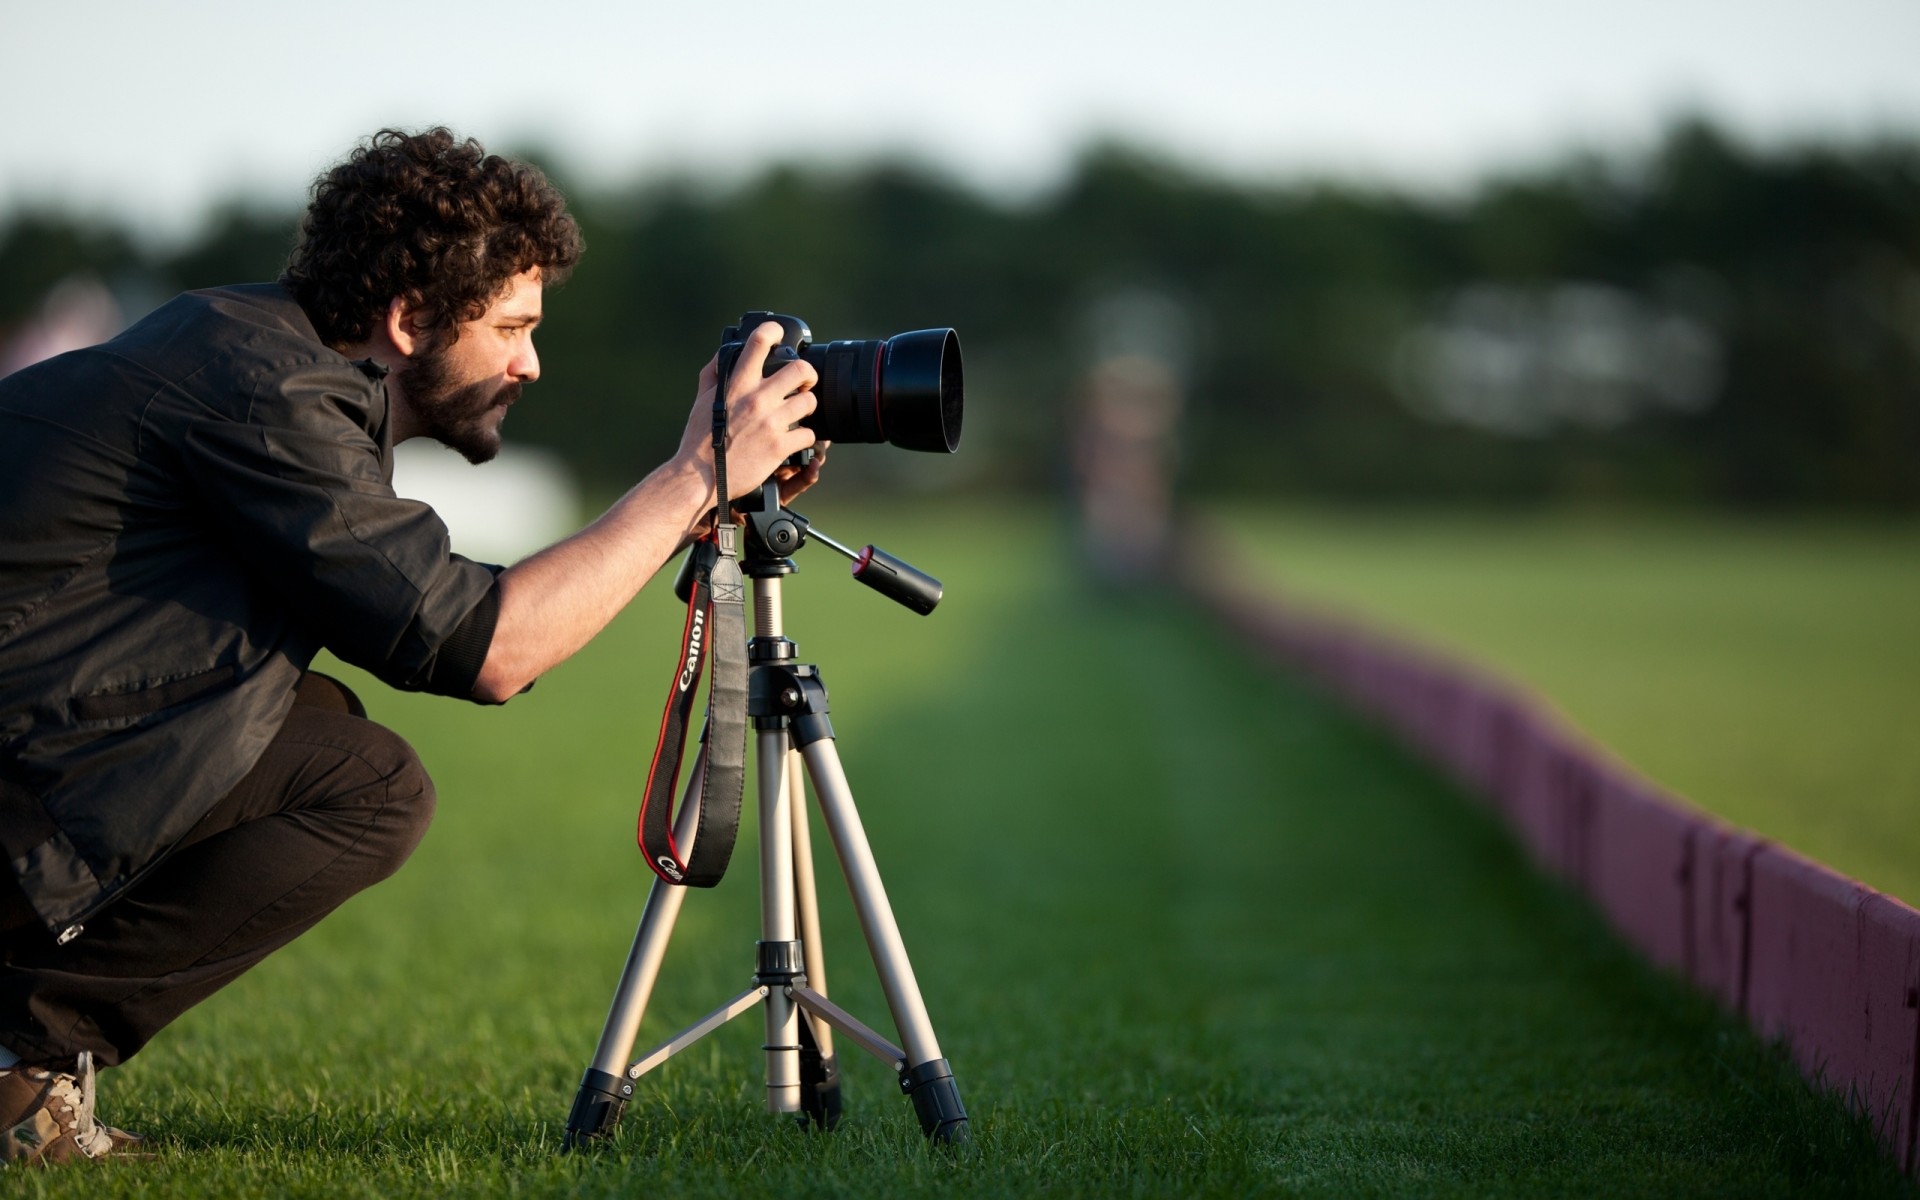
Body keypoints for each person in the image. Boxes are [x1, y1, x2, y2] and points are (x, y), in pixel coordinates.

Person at [0, 127, 825, 1165]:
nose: (533, 361)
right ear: (408, 318)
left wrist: (699, 482)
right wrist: (695, 476)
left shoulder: (249, 353)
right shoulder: (269, 393)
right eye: (514, 327)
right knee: (365, 788)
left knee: (317, 736)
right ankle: (19, 1061)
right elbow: (487, 648)